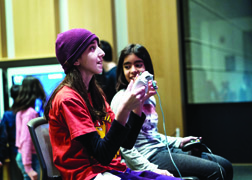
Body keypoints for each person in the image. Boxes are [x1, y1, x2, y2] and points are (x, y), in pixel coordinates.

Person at [44, 28, 180, 180]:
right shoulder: (68, 99)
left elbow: (126, 142)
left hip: (111, 168)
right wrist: (124, 109)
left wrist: (138, 103)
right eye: (92, 48)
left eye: (99, 46)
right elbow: (103, 155)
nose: (101, 53)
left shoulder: (95, 93)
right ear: (75, 60)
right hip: (88, 175)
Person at [110, 44, 234, 180]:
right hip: (147, 157)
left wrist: (178, 142)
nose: (133, 70)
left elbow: (151, 135)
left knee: (226, 165)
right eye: (127, 66)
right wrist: (152, 169)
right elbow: (124, 147)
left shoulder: (149, 97)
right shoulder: (121, 100)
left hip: (161, 149)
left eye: (138, 65)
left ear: (147, 68)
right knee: (216, 171)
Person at [12, 76, 46, 180]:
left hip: (24, 156)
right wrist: (28, 167)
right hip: (30, 157)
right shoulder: (30, 113)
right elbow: (26, 140)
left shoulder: (21, 111)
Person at [0, 85, 23, 180]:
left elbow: (3, 138)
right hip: (30, 151)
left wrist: (2, 157)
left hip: (14, 152)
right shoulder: (28, 112)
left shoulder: (8, 114)